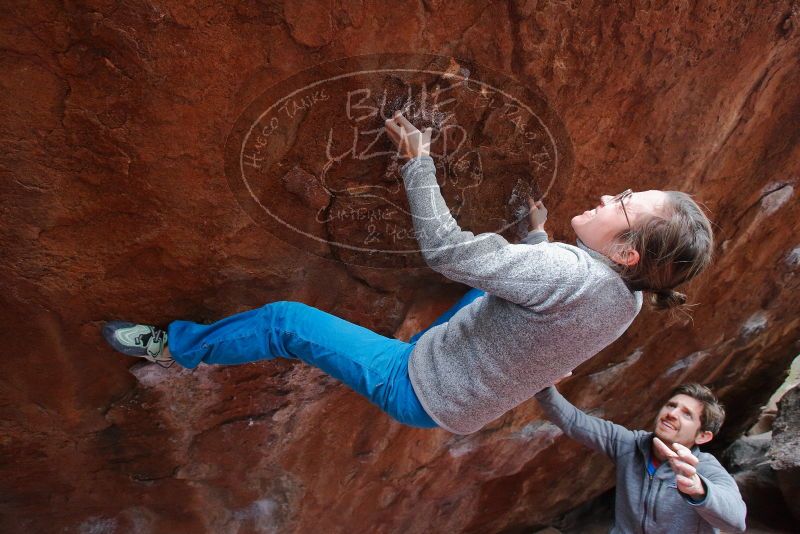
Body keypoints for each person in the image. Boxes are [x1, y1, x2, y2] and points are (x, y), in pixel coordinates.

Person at [102, 112, 714, 434]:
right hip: (468, 390)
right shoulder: (629, 302)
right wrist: (532, 235)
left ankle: (173, 348)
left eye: (625, 204)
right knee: (492, 282)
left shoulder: (562, 271)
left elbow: (448, 253)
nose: (613, 196)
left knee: (284, 322)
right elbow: (556, 299)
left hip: (418, 384)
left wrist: (418, 164)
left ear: (627, 252)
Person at [535, 382, 747, 533]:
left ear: (703, 436)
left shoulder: (704, 470)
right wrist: (544, 386)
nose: (672, 413)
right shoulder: (630, 444)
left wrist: (698, 490)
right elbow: (575, 422)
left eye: (686, 414)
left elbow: (736, 521)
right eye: (671, 405)